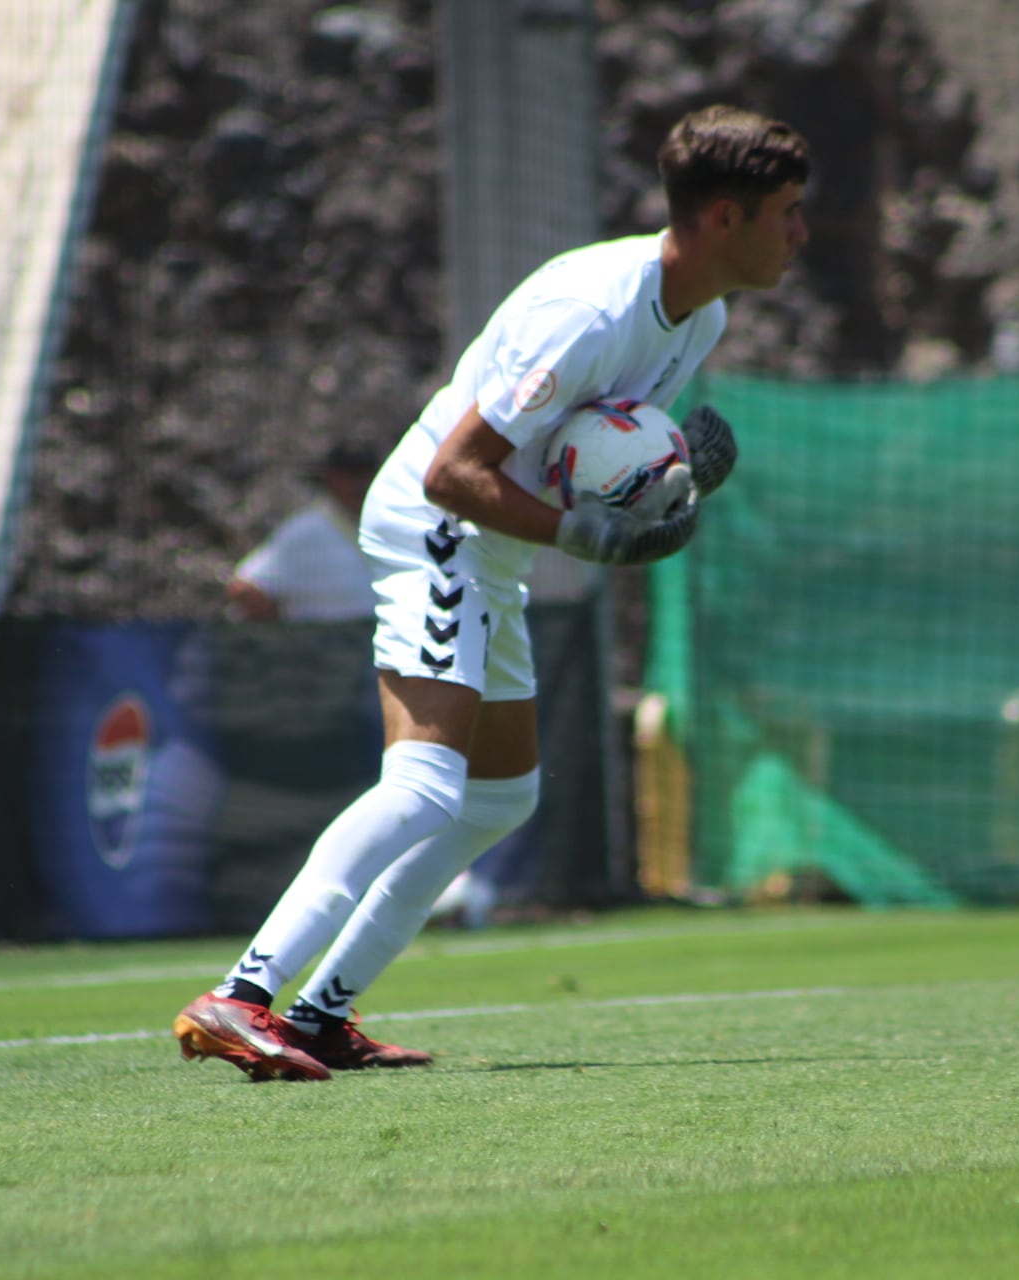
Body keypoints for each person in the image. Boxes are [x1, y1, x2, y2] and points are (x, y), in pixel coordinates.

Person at [174, 104, 811, 1081]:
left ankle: (317, 1016)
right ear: (724, 218)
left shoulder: (704, 316)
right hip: (438, 528)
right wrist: (585, 538)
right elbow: (454, 473)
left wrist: (675, 480)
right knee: (425, 785)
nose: (799, 233)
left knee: (501, 796)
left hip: (492, 547)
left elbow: (596, 459)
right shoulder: (593, 307)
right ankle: (239, 995)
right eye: (787, 212)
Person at [225, 440, 380, 622]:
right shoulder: (306, 530)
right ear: (331, 478)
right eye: (350, 476)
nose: (359, 485)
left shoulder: (391, 524)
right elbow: (245, 588)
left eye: (365, 475)